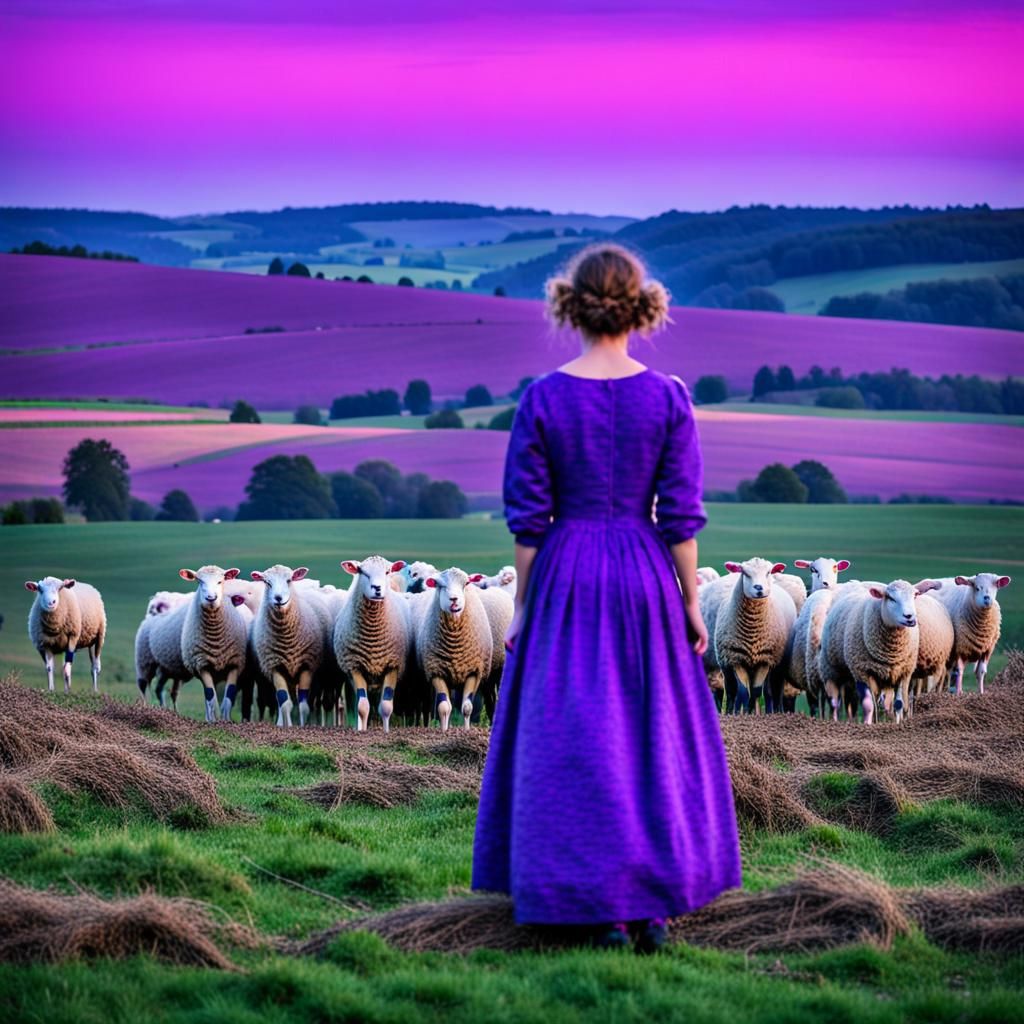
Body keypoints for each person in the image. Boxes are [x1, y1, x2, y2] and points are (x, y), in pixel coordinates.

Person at [471, 244, 742, 953]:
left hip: (566, 575)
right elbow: (681, 517)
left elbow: (528, 520)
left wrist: (524, 607)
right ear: (640, 305)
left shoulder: (542, 398)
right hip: (645, 576)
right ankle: (652, 904)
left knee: (575, 738)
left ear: (570, 303)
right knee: (651, 738)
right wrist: (688, 601)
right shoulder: (669, 398)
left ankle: (587, 901)